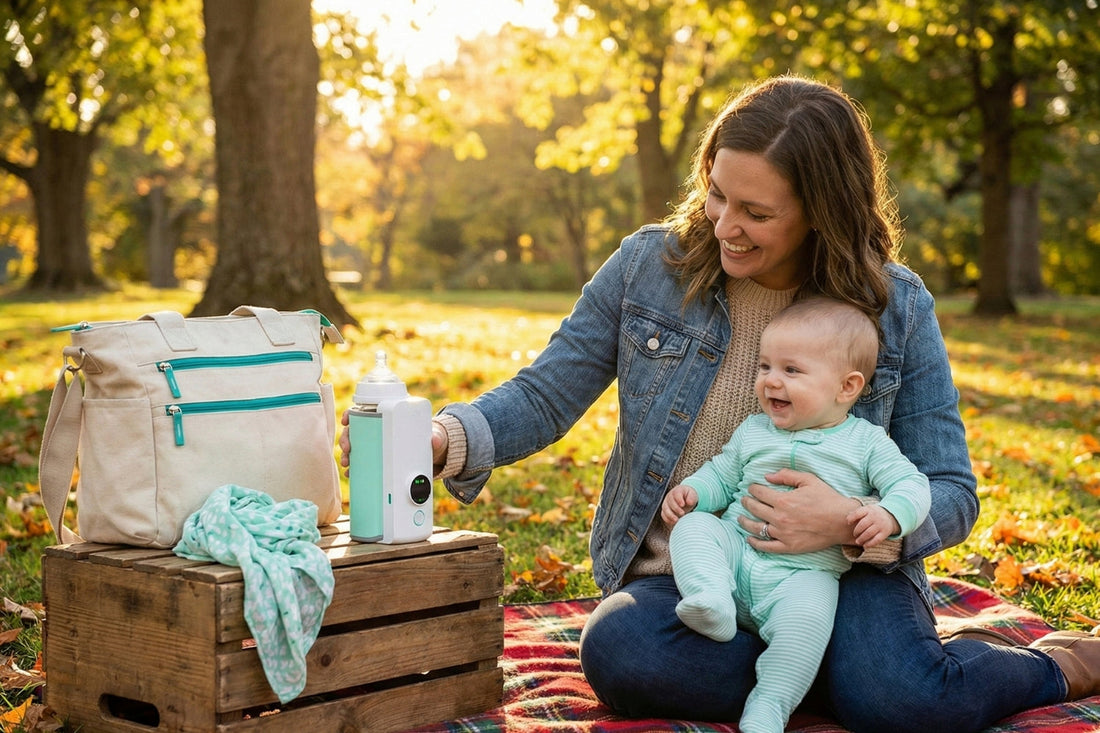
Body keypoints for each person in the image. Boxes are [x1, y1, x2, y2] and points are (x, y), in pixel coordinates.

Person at [341, 75, 1100, 732]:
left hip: (838, 575)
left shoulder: (892, 307)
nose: (722, 223)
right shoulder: (649, 267)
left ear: (820, 212)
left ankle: (1049, 666)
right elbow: (546, 392)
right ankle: (829, 672)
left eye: (756, 213)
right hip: (696, 571)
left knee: (905, 704)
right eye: (715, 192)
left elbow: (951, 488)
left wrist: (850, 524)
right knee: (621, 652)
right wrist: (442, 436)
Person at [660, 296, 931, 733]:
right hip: (737, 551)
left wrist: (888, 515)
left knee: (805, 628)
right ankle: (711, 598)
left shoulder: (866, 442)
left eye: (791, 370)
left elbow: (913, 485)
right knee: (695, 528)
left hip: (801, 577)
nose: (770, 381)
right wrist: (694, 492)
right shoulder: (753, 430)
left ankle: (770, 706)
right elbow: (723, 474)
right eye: (764, 367)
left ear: (847, 387)